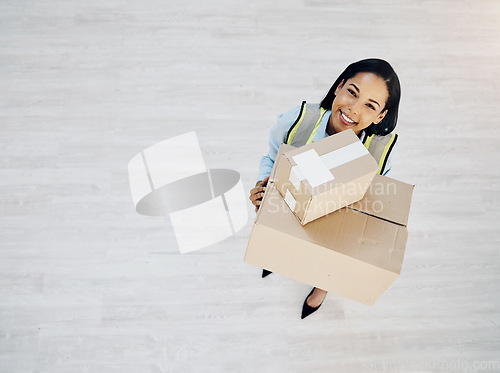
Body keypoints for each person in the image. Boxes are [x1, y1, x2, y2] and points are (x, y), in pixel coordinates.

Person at [249, 58, 401, 319]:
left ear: (381, 116)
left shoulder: (379, 153)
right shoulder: (300, 120)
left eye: (370, 106)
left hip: (335, 223)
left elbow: (372, 208)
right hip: (292, 209)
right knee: (281, 243)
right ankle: (275, 259)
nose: (353, 109)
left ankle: (321, 289)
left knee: (332, 259)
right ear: (339, 87)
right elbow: (271, 158)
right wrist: (263, 185)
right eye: (352, 92)